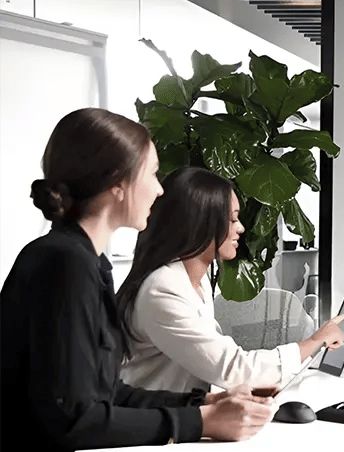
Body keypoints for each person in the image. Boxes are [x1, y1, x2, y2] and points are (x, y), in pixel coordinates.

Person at [0, 109, 276, 451]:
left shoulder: (86, 260)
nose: (160, 191)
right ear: (118, 182)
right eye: (153, 174)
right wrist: (200, 422)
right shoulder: (65, 263)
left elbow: (103, 393)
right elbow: (74, 420)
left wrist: (204, 405)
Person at [116, 166, 344, 393]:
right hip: (159, 426)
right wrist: (315, 341)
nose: (241, 228)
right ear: (201, 223)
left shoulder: (197, 282)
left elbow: (215, 359)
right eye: (232, 219)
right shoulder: (162, 288)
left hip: (185, 417)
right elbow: (231, 368)